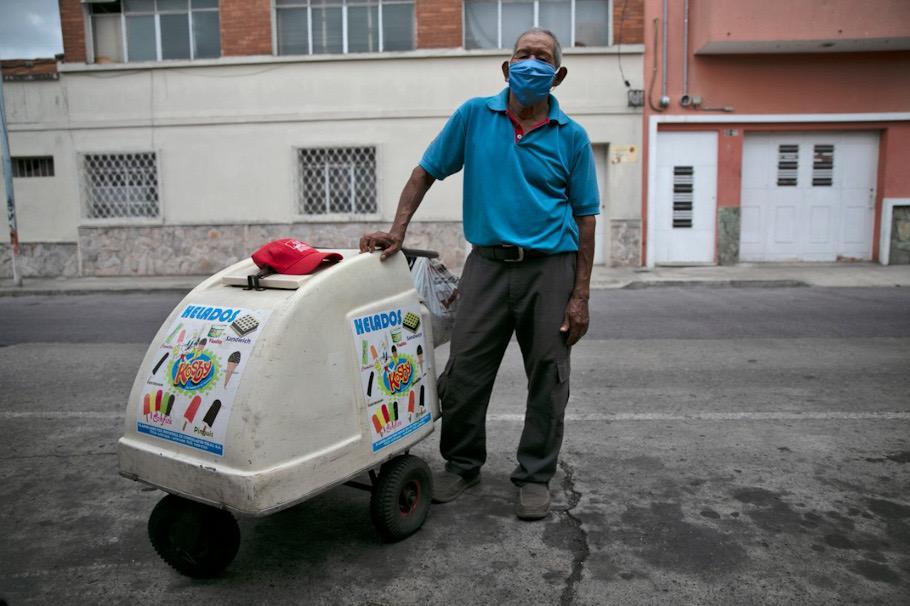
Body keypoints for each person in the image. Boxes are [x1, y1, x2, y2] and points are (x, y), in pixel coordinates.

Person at [360, 28, 599, 520]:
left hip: (551, 270)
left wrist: (580, 295)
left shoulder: (571, 136)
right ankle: (462, 463)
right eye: (523, 54)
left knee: (549, 378)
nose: (532, 63)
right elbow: (425, 170)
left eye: (543, 57)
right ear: (507, 67)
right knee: (465, 372)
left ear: (558, 75)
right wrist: (397, 231)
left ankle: (534, 476)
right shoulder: (474, 116)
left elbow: (586, 217)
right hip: (487, 265)